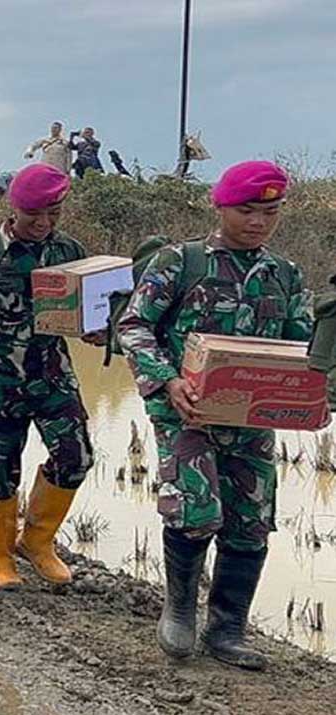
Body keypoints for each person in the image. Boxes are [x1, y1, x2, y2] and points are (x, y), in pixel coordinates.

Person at [118, 161, 310, 671]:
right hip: (187, 412)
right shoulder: (180, 262)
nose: (258, 222)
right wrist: (167, 380)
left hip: (251, 419)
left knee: (250, 523)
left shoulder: (284, 274)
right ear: (220, 206)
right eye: (247, 210)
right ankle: (180, 609)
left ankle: (227, 629)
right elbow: (134, 325)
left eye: (269, 212)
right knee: (195, 510)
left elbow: (302, 344)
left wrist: (315, 394)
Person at [0, 163, 94, 589]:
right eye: (35, 216)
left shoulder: (67, 251)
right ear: (15, 208)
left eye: (54, 214)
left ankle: (38, 542)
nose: (44, 225)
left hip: (53, 376)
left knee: (76, 456)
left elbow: (82, 317)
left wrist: (99, 326)